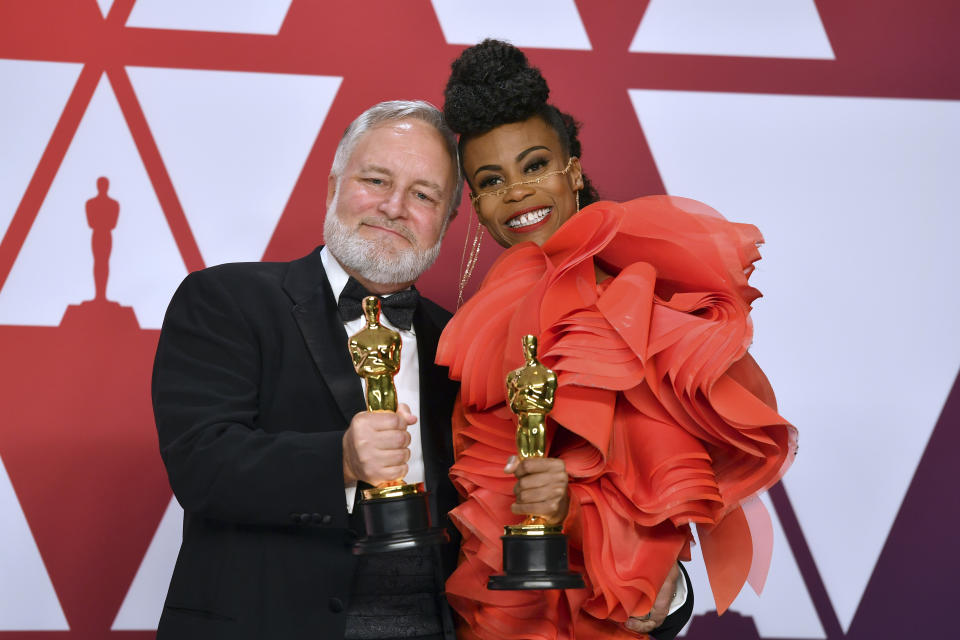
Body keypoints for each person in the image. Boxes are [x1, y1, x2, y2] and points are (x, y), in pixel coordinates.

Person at [435, 40, 798, 639]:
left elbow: (654, 492)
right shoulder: (472, 325)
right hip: (494, 612)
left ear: (572, 169)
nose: (517, 191)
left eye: (534, 166)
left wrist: (641, 566)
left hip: (600, 614)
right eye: (491, 180)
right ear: (475, 202)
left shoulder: (632, 307)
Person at [152, 100, 464, 640]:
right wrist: (338, 460)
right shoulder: (226, 298)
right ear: (333, 188)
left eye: (423, 194)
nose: (394, 207)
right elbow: (201, 465)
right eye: (376, 179)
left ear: (446, 220)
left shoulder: (459, 341)